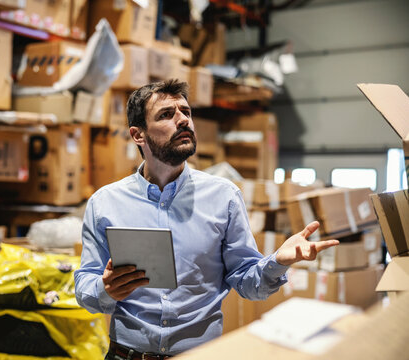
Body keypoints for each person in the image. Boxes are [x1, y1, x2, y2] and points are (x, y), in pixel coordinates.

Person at [74, 79, 339, 359]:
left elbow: (249, 283)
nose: (182, 120)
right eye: (166, 114)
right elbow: (85, 286)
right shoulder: (105, 203)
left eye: (186, 112)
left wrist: (277, 262)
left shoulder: (223, 197)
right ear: (138, 135)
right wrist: (106, 289)